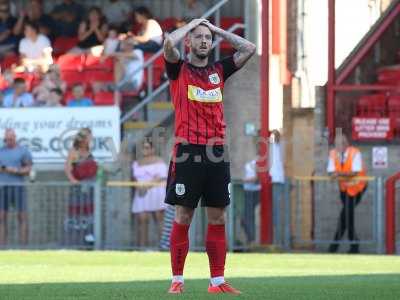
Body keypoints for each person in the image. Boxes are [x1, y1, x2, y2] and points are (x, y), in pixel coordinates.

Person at [163, 18, 256, 294]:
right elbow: (168, 43)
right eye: (199, 37)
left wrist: (217, 30)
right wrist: (191, 25)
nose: (204, 41)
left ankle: (217, 282)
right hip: (187, 152)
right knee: (183, 216)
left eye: (207, 37)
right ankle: (177, 280)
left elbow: (248, 48)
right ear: (189, 42)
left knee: (218, 217)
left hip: (216, 153)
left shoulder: (219, 70)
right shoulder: (178, 69)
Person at [327, 134, 367, 254]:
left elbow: (354, 172)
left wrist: (338, 174)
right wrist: (338, 174)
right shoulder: (333, 153)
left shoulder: (355, 153)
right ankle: (353, 245)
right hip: (344, 189)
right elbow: (330, 171)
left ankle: (334, 246)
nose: (339, 146)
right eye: (337, 144)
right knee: (346, 217)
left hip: (357, 188)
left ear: (346, 144)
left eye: (342, 143)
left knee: (346, 216)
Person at [64, 128, 98, 245]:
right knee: (77, 214)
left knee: (89, 213)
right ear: (84, 139)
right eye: (89, 137)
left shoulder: (89, 152)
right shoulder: (74, 151)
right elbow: (68, 169)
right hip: (78, 189)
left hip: (90, 189)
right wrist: (73, 180)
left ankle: (89, 237)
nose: (91, 139)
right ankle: (75, 240)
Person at [131, 140, 168, 248]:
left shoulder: (159, 161)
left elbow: (161, 176)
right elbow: (134, 177)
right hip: (141, 193)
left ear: (152, 149)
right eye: (143, 148)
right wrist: (139, 186)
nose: (145, 150)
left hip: (156, 191)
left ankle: (163, 247)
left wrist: (147, 186)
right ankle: (142, 248)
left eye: (147, 147)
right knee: (142, 219)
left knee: (159, 219)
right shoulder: (137, 162)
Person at [0, 128, 33, 246]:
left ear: (15, 137)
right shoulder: (1, 151)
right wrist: (5, 169)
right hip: (2, 188)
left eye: (10, 139)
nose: (8, 141)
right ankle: (2, 248)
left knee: (22, 216)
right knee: (1, 217)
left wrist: (16, 171)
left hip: (18, 187)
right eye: (6, 139)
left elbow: (29, 168)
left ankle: (23, 248)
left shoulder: (23, 151)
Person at [242, 137, 261, 245]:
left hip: (253, 191)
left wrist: (244, 180)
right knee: (246, 217)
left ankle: (252, 239)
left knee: (248, 217)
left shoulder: (258, 160)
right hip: (247, 190)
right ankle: (251, 239)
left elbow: (255, 178)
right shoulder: (251, 160)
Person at [269, 129, 285, 245]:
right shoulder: (270, 147)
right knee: (274, 211)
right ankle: (275, 240)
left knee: (278, 211)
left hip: (278, 180)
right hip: (271, 180)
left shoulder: (281, 147)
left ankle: (278, 240)